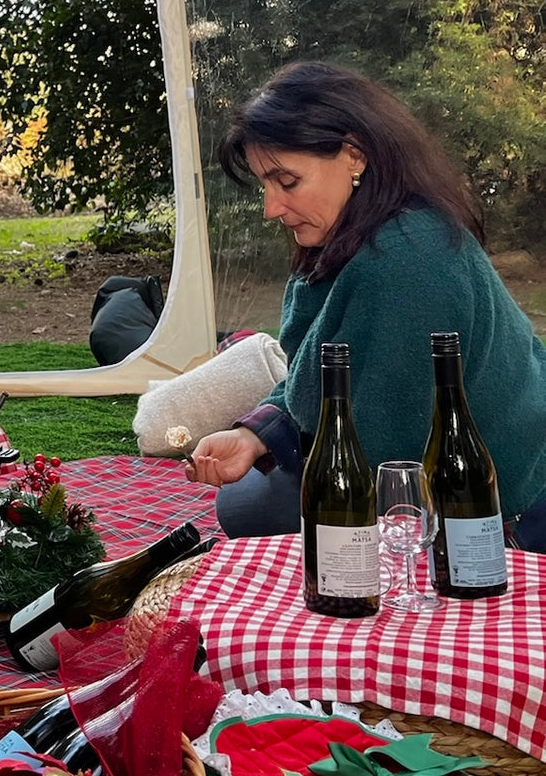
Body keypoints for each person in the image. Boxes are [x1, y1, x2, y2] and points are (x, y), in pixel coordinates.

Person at [185, 61, 546, 553]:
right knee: (247, 501)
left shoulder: (409, 260)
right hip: (424, 458)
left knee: (252, 507)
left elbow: (388, 457)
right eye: (264, 184)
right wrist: (260, 435)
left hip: (504, 499)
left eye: (287, 182)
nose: (271, 207)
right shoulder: (356, 232)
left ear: (354, 156)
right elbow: (329, 363)